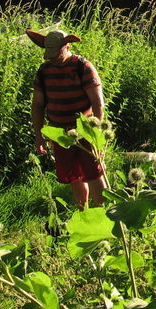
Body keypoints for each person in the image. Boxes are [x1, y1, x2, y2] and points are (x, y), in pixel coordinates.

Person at [27, 29, 107, 210]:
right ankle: (83, 214)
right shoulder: (44, 71)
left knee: (94, 173)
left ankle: (104, 214)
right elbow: (37, 105)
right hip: (60, 134)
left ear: (67, 46)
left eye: (56, 54)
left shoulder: (83, 67)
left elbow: (97, 102)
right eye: (50, 54)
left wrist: (96, 133)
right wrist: (39, 135)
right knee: (74, 176)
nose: (52, 58)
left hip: (85, 131)